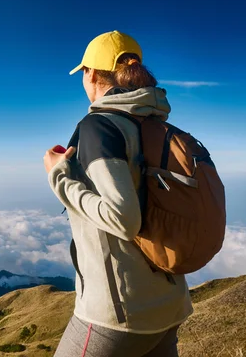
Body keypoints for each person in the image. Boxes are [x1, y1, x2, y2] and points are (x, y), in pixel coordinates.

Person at [43, 30, 193, 357]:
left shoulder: (100, 127)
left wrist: (59, 176)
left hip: (119, 315)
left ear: (92, 73)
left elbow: (123, 218)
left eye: (83, 72)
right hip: (169, 304)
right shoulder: (158, 126)